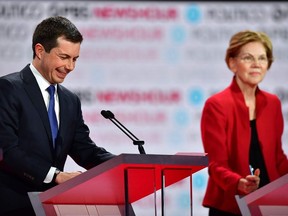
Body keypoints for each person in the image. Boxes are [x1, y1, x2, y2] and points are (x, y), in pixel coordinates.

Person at [0, 16, 116, 216]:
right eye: (64, 57)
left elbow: (84, 150)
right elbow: (7, 151)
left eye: (75, 59)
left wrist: (124, 164)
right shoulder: (8, 89)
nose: (70, 66)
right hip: (13, 206)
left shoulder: (70, 100)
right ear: (39, 51)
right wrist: (56, 176)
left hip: (51, 208)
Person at [200, 30, 288, 216]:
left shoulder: (272, 103)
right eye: (248, 58)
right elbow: (216, 165)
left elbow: (277, 157)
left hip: (270, 204)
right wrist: (239, 183)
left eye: (262, 58)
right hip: (229, 204)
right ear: (232, 63)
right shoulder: (217, 105)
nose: (256, 64)